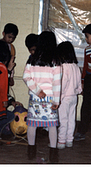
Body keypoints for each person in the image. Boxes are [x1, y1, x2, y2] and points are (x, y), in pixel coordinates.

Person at [23, 31, 62, 163]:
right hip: (50, 98)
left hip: (35, 98)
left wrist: (37, 90)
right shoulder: (56, 61)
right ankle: (53, 154)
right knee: (52, 126)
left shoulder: (32, 59)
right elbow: (57, 83)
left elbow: (25, 77)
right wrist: (57, 100)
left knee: (32, 124)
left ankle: (30, 151)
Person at [56, 41, 82, 149]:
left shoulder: (63, 67)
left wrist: (59, 98)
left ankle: (61, 141)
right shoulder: (76, 67)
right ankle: (69, 140)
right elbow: (79, 85)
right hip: (74, 97)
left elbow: (63, 84)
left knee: (63, 120)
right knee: (71, 119)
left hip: (64, 97)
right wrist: (76, 91)